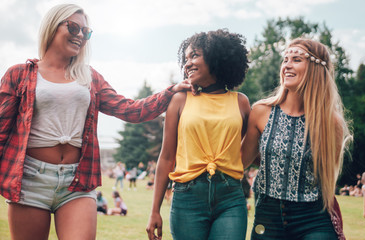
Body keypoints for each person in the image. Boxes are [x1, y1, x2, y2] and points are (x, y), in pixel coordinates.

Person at [0, 4, 191, 240]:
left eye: (85, 32)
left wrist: (170, 92)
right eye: (73, 27)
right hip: (30, 180)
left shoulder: (89, 77)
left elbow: (129, 110)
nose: (80, 35)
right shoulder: (19, 74)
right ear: (52, 26)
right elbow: (1, 131)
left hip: (77, 181)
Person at [241, 38, 352, 240]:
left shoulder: (331, 123)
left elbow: (326, 177)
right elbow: (239, 162)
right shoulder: (261, 111)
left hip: (313, 218)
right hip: (268, 215)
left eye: (296, 59)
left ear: (316, 69)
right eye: (285, 60)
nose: (287, 65)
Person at [146, 29, 251, 240]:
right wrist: (155, 210)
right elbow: (166, 157)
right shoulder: (179, 100)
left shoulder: (241, 102)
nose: (187, 64)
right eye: (185, 59)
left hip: (230, 198)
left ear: (216, 57)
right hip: (187, 199)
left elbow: (252, 150)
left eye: (194, 55)